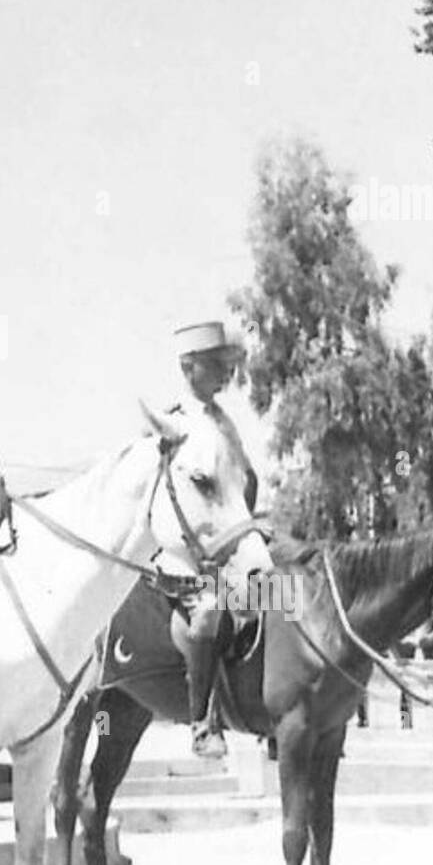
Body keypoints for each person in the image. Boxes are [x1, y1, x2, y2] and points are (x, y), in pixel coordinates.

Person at [168, 320, 258, 759]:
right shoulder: (172, 424)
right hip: (184, 558)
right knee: (208, 612)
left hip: (231, 544)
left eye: (227, 365)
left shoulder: (225, 422)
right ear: (189, 367)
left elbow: (244, 481)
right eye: (216, 365)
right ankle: (202, 722)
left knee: (284, 593)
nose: (226, 373)